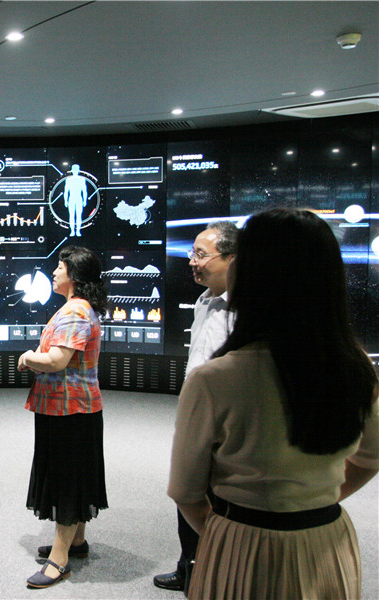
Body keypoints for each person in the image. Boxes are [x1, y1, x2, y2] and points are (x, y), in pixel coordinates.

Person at [168, 207, 379, 599]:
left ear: (249, 272)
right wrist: (308, 504)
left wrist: (226, 537)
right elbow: (369, 459)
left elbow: (185, 491)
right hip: (327, 541)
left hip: (239, 544)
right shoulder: (358, 367)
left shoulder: (214, 379)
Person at [154, 220, 239, 593]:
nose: (192, 261)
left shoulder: (248, 309)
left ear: (232, 259)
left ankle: (217, 575)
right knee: (188, 493)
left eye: (201, 255)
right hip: (195, 417)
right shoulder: (204, 301)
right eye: (192, 253)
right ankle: (189, 566)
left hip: (227, 425)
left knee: (221, 501)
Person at [17, 246, 109, 589]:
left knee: (67, 482)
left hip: (69, 409)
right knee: (76, 477)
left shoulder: (74, 311)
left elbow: (57, 360)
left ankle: (59, 560)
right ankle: (77, 542)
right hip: (74, 408)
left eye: (60, 267)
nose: (54, 272)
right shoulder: (81, 308)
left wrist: (28, 357)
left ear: (75, 275)